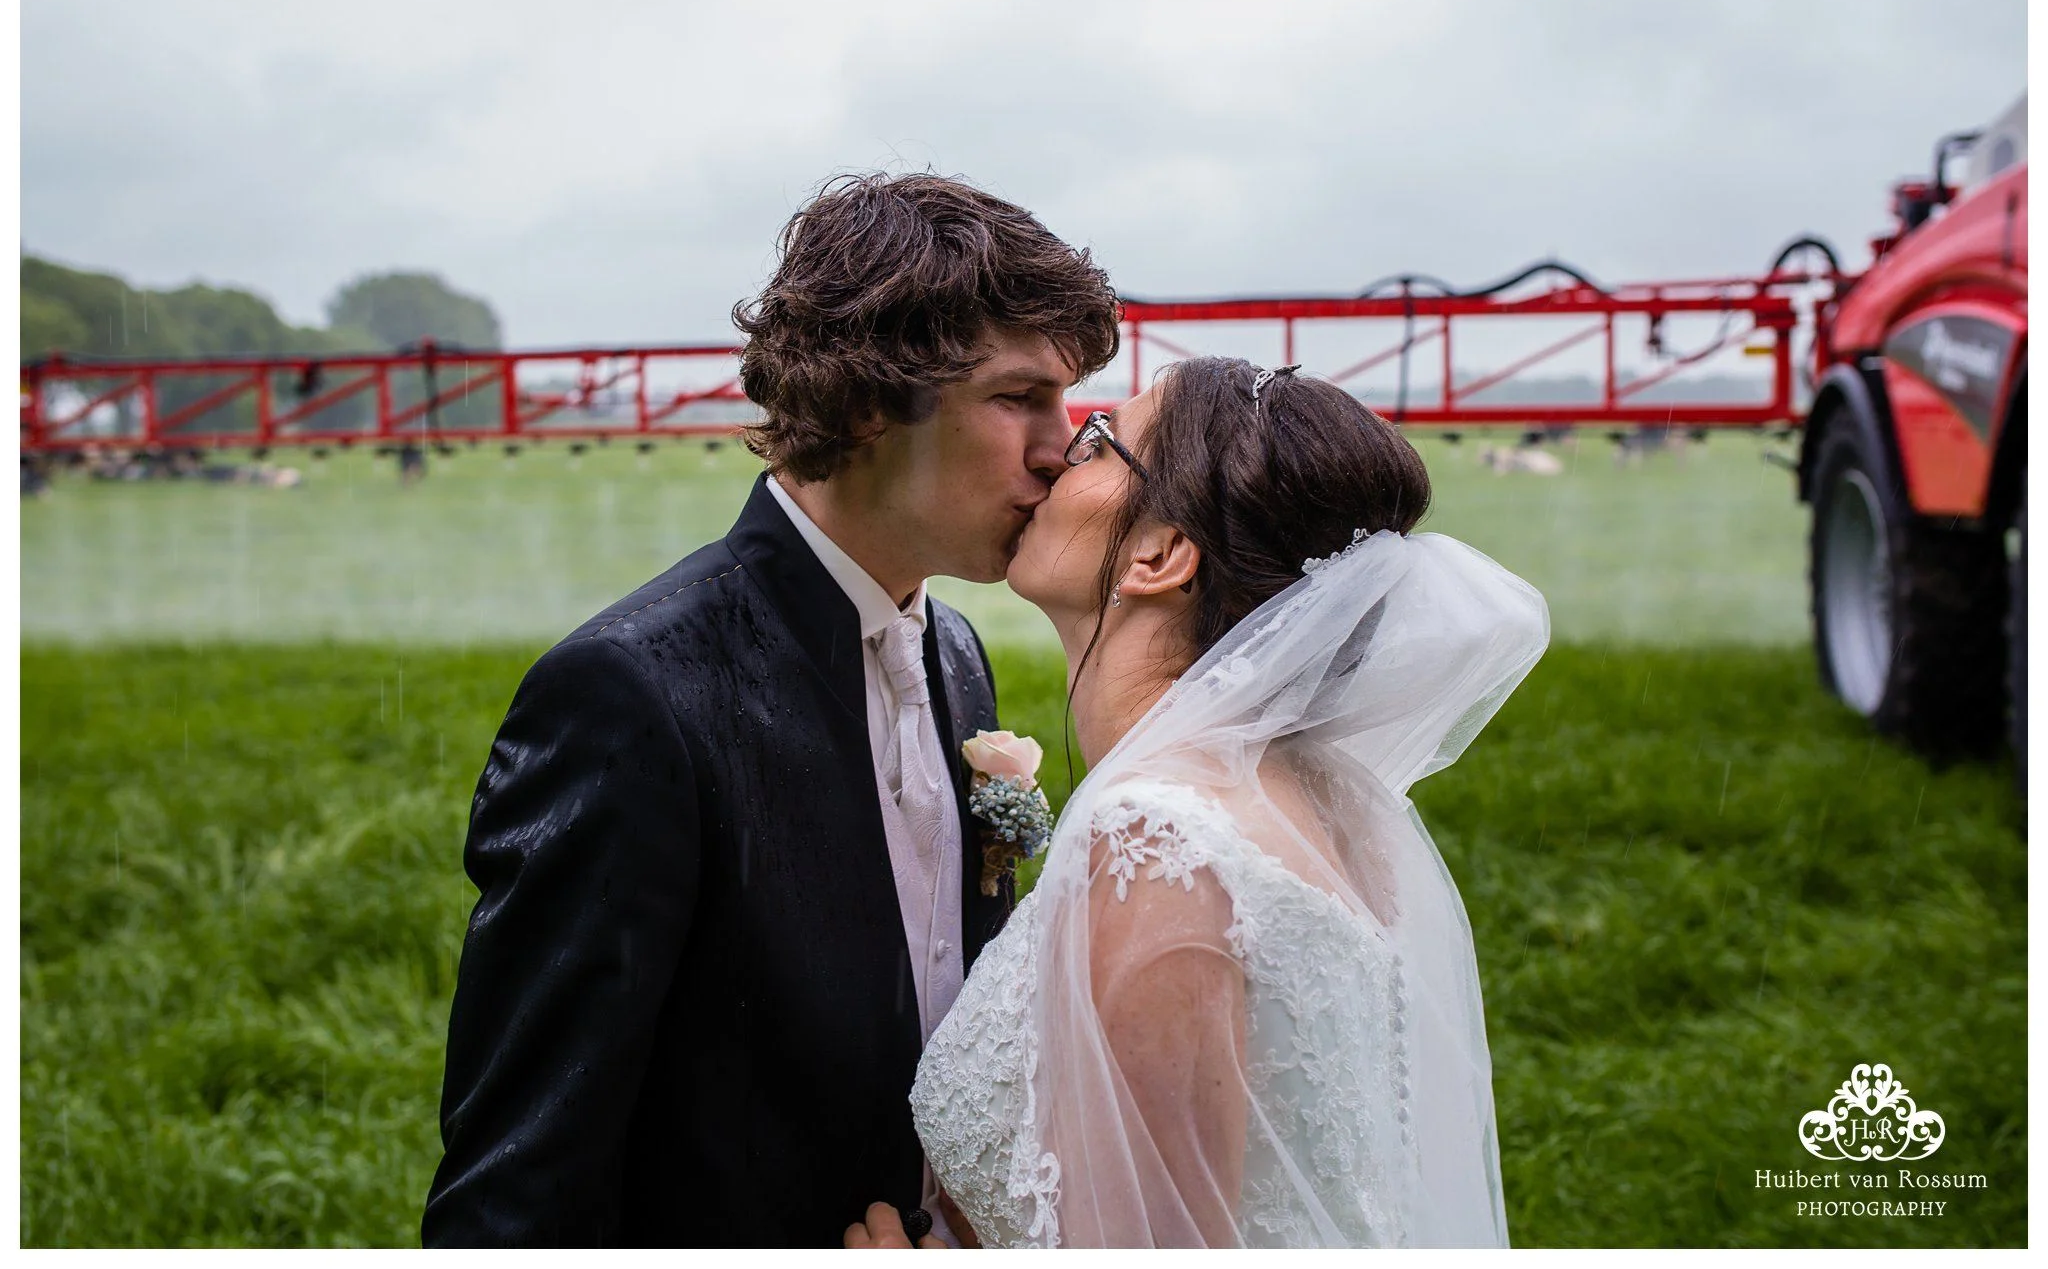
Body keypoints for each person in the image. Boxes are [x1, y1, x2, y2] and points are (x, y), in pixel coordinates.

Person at [422, 173, 1121, 1247]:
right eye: (1016, 396)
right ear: (863, 401)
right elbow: (520, 1170)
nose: (1059, 445)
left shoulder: (958, 653)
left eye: (1065, 401)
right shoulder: (630, 695)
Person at [897, 356, 1550, 1247]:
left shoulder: (1161, 841)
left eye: (1098, 443)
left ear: (1160, 555)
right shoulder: (1335, 799)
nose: (1056, 455)